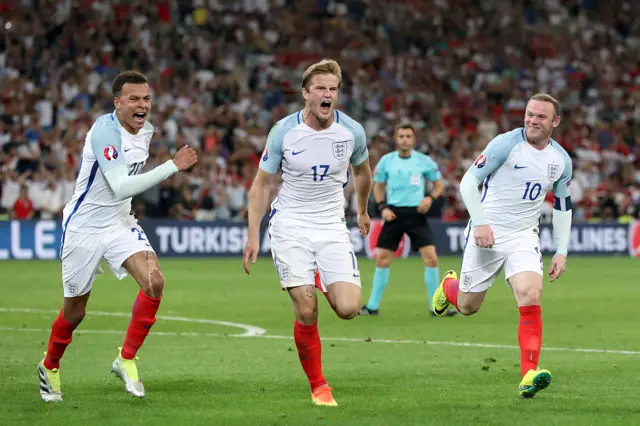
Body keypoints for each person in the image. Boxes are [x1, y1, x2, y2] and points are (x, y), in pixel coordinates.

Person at [37, 71, 198, 402]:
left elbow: (125, 191)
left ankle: (126, 359)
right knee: (75, 311)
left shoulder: (147, 131)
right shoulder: (104, 132)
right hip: (84, 228)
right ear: (117, 102)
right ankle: (49, 365)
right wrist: (172, 166)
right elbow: (121, 185)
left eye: (147, 99)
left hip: (119, 223)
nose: (143, 105)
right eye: (134, 99)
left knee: (154, 282)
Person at [243, 59, 372, 407]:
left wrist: (361, 209)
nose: (327, 94)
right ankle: (319, 386)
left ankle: (316, 274)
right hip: (290, 226)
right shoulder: (284, 131)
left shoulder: (352, 132)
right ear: (305, 93)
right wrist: (254, 234)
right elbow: (262, 184)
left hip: (331, 226)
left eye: (333, 89)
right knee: (307, 309)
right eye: (320, 88)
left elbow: (362, 172)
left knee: (348, 308)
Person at [432, 93, 573, 399]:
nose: (533, 121)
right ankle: (449, 287)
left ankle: (528, 375)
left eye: (541, 117)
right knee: (468, 307)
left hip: (524, 235)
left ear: (555, 122)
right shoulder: (505, 144)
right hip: (489, 232)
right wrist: (480, 222)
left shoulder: (561, 160)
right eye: (530, 114)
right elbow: (468, 182)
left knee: (531, 294)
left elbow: (562, 205)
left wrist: (561, 250)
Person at [358, 123, 455, 317]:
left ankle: (435, 307)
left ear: (413, 139)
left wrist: (430, 198)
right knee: (383, 259)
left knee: (431, 258)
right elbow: (378, 186)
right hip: (393, 213)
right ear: (396, 138)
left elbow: (438, 184)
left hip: (416, 213)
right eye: (401, 135)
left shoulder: (423, 161)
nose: (404, 139)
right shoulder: (387, 161)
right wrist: (382, 207)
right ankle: (372, 306)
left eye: (408, 136)